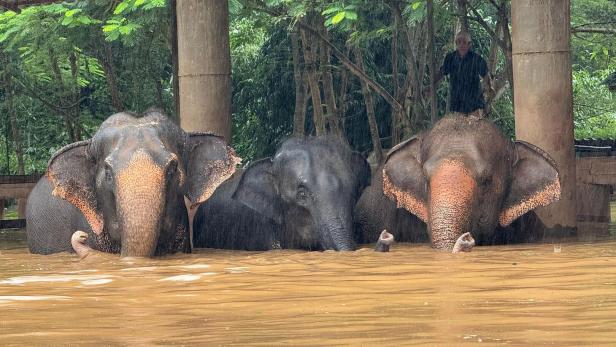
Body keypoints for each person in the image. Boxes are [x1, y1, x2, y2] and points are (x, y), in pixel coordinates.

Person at [435, 31, 492, 117]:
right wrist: (432, 84)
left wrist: (488, 99)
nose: (461, 45)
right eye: (459, 42)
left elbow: (487, 77)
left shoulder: (477, 59)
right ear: (456, 43)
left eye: (464, 42)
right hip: (457, 104)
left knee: (474, 129)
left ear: (469, 44)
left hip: (475, 105)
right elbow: (442, 72)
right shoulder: (450, 58)